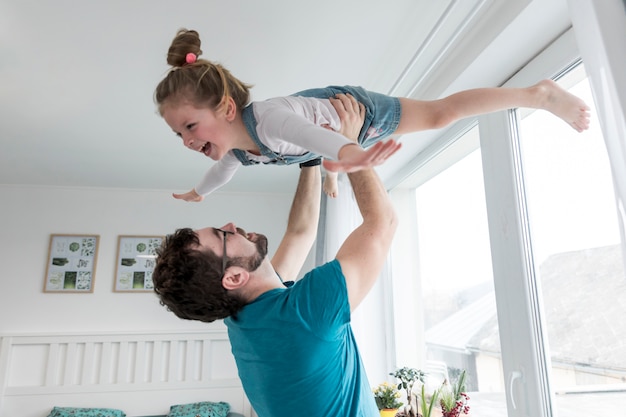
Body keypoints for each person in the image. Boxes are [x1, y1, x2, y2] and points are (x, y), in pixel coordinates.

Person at [152, 94, 395, 416]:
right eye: (224, 235)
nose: (231, 225)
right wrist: (346, 144)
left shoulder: (247, 316)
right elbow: (382, 223)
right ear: (234, 277)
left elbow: (301, 232)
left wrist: (309, 159)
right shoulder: (304, 316)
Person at [155, 28, 590, 200]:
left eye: (190, 127)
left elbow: (321, 138)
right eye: (180, 135)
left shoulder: (268, 119)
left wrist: (350, 153)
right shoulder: (236, 153)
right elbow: (221, 175)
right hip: (321, 137)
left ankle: (539, 95)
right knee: (316, 156)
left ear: (228, 108)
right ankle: (330, 172)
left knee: (441, 116)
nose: (189, 141)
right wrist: (198, 193)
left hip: (355, 112)